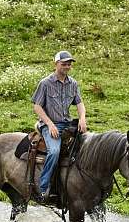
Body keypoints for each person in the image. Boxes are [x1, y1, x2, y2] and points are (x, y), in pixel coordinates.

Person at [31, 50, 87, 201]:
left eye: (69, 64)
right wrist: (49, 124)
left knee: (88, 146)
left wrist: (82, 118)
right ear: (56, 64)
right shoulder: (45, 83)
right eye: (64, 64)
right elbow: (37, 106)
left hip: (67, 124)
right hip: (50, 124)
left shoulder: (73, 83)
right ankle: (43, 187)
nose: (67, 67)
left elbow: (79, 103)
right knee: (54, 151)